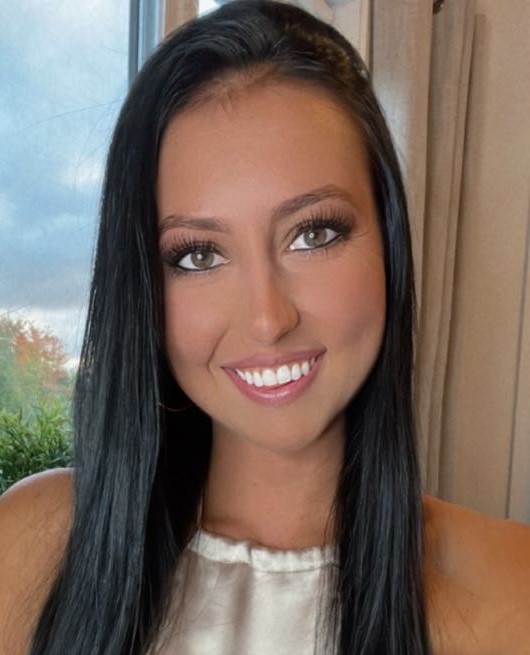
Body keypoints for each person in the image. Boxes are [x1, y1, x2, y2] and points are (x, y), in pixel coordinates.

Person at [1, 1, 529, 653]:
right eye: (199, 255)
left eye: (314, 234)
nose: (268, 318)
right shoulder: (32, 546)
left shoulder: (514, 591)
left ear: (388, 241)